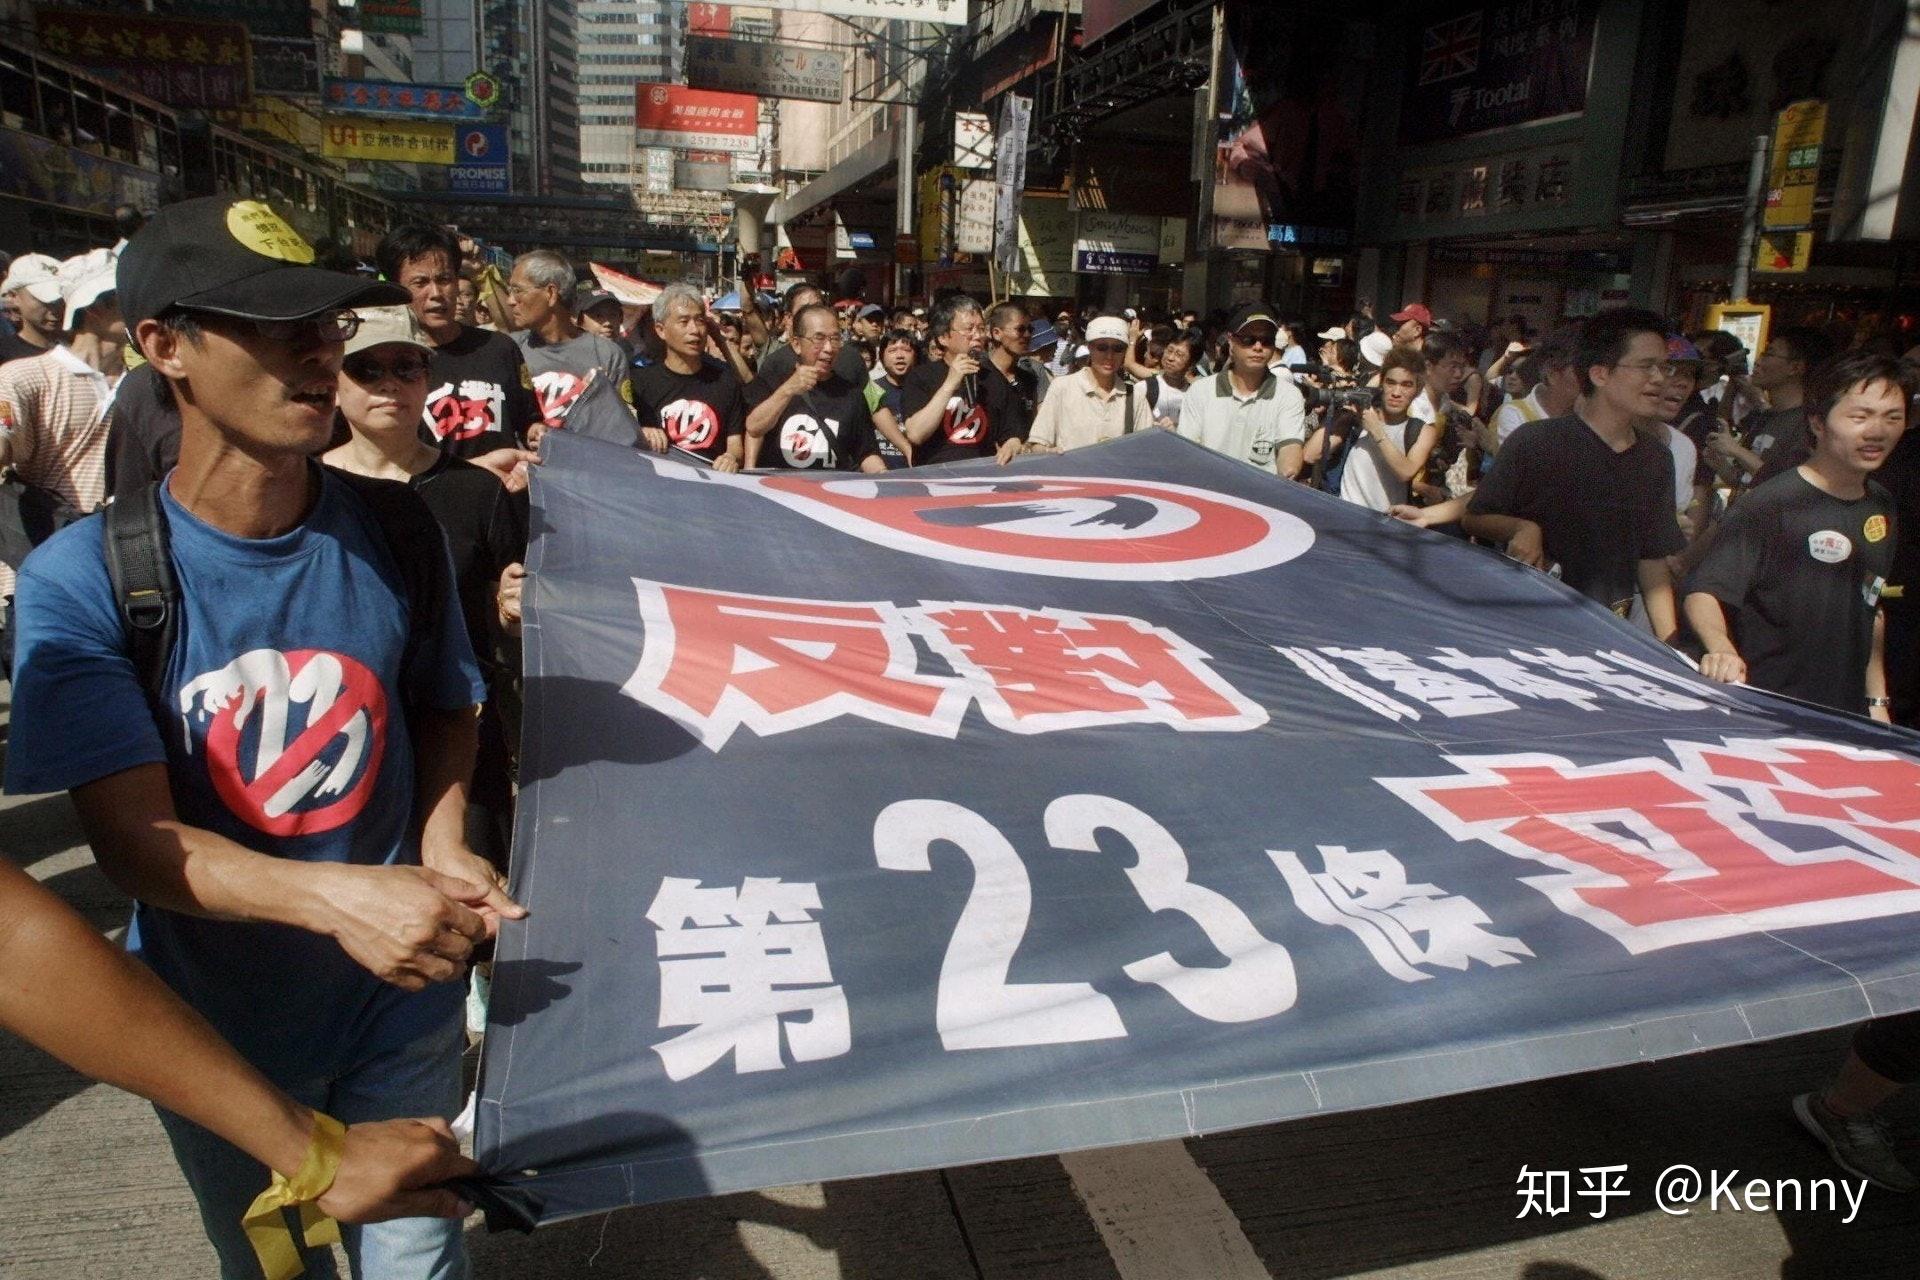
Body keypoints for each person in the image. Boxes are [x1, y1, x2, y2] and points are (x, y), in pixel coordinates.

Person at [4, 195, 524, 1278]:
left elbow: (446, 698)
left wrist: (438, 840)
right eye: (270, 325)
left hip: (403, 1012)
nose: (318, 352)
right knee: (276, 1266)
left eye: (328, 323)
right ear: (165, 346)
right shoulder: (82, 581)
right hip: (219, 1035)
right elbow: (135, 844)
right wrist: (339, 898)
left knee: (420, 1257)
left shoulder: (394, 530)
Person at [0, 856, 479, 1233]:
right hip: (226, 1020)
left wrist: (441, 836)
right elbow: (15, 938)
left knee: (418, 1237)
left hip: (399, 1014)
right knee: (265, 1255)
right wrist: (310, 1152)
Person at [321, 306, 529, 868]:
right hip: (337, 740)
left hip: (464, 743)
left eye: (406, 367)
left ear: (428, 381)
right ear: (333, 381)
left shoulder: (477, 491)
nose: (389, 384)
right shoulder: (306, 490)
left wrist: (512, 611)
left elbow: (508, 606)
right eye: (366, 370)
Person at [1686, 351, 1914, 717]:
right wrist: (1721, 648)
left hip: (1847, 714)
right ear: (1818, 423)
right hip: (1768, 708)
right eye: (1860, 417)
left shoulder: (1882, 505)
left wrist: (1877, 702)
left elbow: (1871, 605)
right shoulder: (1771, 504)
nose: (1877, 432)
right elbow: (1705, 592)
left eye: (1893, 418)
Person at [1463, 307, 1686, 633]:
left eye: (1664, 367)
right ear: (1600, 374)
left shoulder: (1656, 459)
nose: (1659, 378)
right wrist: (1522, 528)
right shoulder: (1536, 442)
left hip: (1607, 631)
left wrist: (1669, 645)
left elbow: (1651, 559)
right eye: (1645, 366)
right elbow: (1475, 516)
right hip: (1528, 622)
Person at [377, 225, 540, 458]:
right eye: (420, 283)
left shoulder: (499, 348)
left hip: (502, 491)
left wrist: (537, 433)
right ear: (396, 288)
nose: (436, 293)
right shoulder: (382, 365)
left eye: (444, 279)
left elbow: (529, 422)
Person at [0, 249, 123, 525]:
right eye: (124, 296)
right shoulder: (22, 377)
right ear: (94, 306)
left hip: (118, 549)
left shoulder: (146, 384)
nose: (140, 304)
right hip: (41, 550)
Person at [506, 249, 639, 447]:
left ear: (550, 293)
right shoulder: (511, 349)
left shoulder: (607, 355)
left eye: (518, 291)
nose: (510, 300)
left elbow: (622, 431)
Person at [745, 303, 886, 472]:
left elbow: (866, 452)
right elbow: (754, 428)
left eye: (834, 339)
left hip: (828, 493)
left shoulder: (851, 395)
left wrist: (882, 475)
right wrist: (788, 389)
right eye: (819, 339)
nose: (828, 349)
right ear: (797, 344)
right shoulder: (775, 378)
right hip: (781, 492)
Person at [1175, 303, 1306, 477]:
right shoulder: (1200, 391)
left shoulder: (1289, 396)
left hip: (1259, 498)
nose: (1258, 347)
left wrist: (1289, 469)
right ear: (1231, 341)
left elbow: (1290, 449)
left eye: (1266, 340)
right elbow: (1187, 453)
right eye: (1248, 339)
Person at [899, 294, 1028, 466]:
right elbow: (915, 434)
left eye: (981, 329)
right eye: (969, 329)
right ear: (943, 337)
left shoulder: (993, 378)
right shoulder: (921, 376)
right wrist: (950, 384)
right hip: (935, 477)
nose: (977, 336)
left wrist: (1012, 445)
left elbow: (1012, 433)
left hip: (981, 478)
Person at [631, 281, 745, 471]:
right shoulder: (639, 383)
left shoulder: (725, 381)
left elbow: (735, 445)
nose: (694, 330)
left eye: (700, 320)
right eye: (683, 322)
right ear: (660, 330)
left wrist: (731, 458)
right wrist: (641, 432)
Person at [1705, 327, 1836, 489]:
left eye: (1768, 354)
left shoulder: (1808, 424)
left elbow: (1789, 483)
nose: (1758, 362)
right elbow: (1746, 482)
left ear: (1795, 368)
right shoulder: (1764, 417)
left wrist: (1736, 450)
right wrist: (1720, 465)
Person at [1335, 347, 1441, 514]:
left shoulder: (1422, 431)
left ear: (1418, 390)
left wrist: (1376, 431)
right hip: (1344, 514)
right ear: (1381, 384)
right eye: (1391, 383)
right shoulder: (1358, 418)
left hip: (1384, 524)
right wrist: (1341, 416)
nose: (1396, 393)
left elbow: (1405, 472)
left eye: (1406, 385)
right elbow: (1312, 454)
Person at [1025, 315, 1136, 454]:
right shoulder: (1062, 388)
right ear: (1089, 347)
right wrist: (1048, 451)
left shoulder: (1135, 395)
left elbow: (1145, 449)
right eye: (1102, 347)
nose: (1109, 356)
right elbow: (1038, 443)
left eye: (1118, 348)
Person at [1489, 330, 1580, 446]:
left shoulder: (1587, 416)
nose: (1592, 379)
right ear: (1553, 373)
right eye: (1581, 371)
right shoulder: (1515, 415)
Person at [867, 328, 919, 468]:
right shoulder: (871, 390)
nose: (900, 355)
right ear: (881, 356)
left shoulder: (925, 390)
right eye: (892, 350)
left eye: (906, 350)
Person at [985, 302, 1045, 425]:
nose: (1027, 335)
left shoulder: (1029, 378)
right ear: (996, 333)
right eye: (1020, 329)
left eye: (1030, 329)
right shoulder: (980, 376)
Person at [1, 253, 65, 365]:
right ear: (14, 296)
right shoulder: (4, 355)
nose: (55, 309)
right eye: (43, 299)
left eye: (60, 300)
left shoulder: (77, 352)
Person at [1135, 331, 1202, 431]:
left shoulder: (1193, 397)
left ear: (1191, 363)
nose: (1170, 358)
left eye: (1179, 355)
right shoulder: (1143, 388)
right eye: (1169, 351)